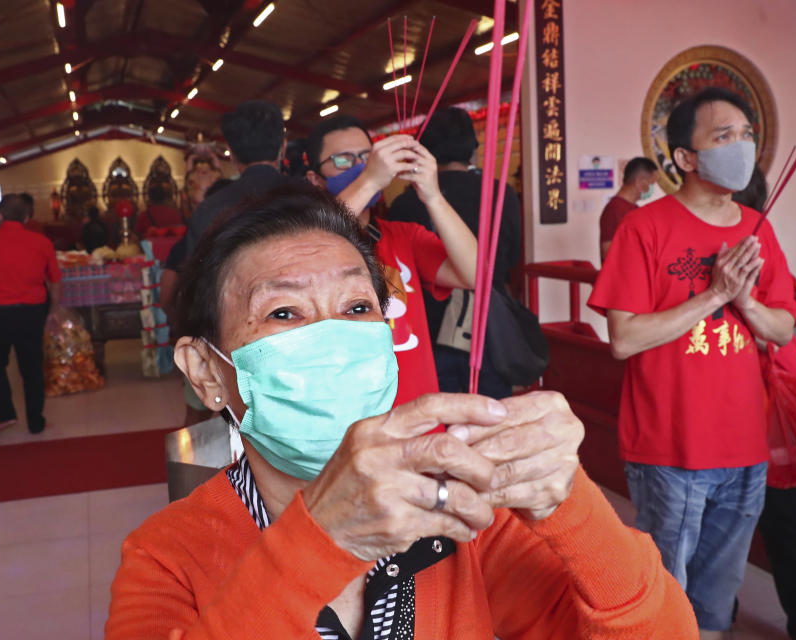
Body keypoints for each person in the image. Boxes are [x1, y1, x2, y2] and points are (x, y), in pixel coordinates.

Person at [105, 184, 697, 639]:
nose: (335, 338)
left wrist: (568, 503)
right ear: (207, 371)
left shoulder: (462, 520)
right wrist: (322, 541)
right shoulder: (166, 557)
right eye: (283, 313)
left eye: (358, 306)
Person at [587, 87, 796, 638]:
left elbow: (784, 327)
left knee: (718, 594)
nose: (742, 146)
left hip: (745, 445)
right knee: (664, 590)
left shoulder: (759, 228)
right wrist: (712, 295)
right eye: (723, 136)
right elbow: (624, 340)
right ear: (685, 157)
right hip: (670, 447)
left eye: (747, 135)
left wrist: (746, 299)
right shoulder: (644, 227)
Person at [305, 114, 478, 407]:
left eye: (366, 157)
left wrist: (433, 196)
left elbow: (474, 274)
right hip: (348, 429)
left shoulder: (403, 236)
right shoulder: (303, 239)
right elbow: (313, 247)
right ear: (315, 179)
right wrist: (370, 179)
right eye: (343, 160)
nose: (360, 166)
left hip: (418, 417)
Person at [732, 167, 796, 640]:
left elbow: (778, 325)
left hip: (757, 409)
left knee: (727, 528)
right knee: (782, 527)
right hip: (760, 411)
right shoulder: (761, 236)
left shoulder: (750, 238)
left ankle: (719, 618)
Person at [389, 106, 521, 399]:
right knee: (492, 416)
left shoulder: (406, 203)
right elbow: (512, 256)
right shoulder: (499, 193)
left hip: (429, 326)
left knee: (437, 413)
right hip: (490, 321)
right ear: (472, 149)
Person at [0, 193, 62, 434]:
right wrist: (53, 312)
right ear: (27, 217)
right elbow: (55, 281)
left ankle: (6, 415)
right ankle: (36, 422)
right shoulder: (41, 242)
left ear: (0, 215)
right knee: (32, 367)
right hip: (32, 313)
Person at [161, 178, 233, 427]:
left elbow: (166, 298)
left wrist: (183, 328)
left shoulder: (189, 244)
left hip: (205, 340)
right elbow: (168, 297)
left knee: (199, 418)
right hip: (211, 344)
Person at [182, 100, 294, 258]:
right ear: (283, 147)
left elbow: (195, 277)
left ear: (231, 154)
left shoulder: (208, 211)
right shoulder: (312, 197)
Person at [599, 156, 658, 262]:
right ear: (640, 181)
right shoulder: (614, 209)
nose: (652, 189)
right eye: (651, 184)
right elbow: (607, 252)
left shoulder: (635, 209)